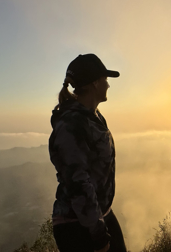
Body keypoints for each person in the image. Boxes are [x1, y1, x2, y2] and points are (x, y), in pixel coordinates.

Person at [49, 54, 126, 252]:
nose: (108, 85)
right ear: (94, 83)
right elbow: (78, 182)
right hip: (77, 224)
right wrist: (98, 235)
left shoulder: (93, 117)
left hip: (100, 214)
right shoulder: (71, 124)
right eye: (105, 80)